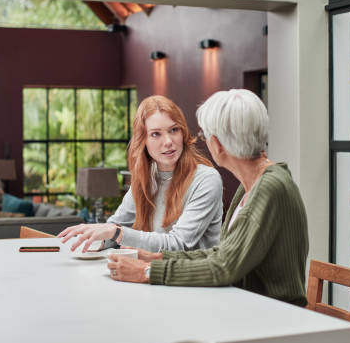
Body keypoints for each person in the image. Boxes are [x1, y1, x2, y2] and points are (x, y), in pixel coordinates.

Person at [107, 89, 309, 306]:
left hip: (272, 316)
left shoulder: (270, 187)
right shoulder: (253, 185)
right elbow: (222, 255)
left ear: (218, 144)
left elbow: (224, 267)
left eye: (205, 136)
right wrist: (157, 258)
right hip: (246, 306)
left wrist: (149, 271)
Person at [58, 95, 223, 253]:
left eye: (174, 130)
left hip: (191, 280)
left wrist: (115, 232)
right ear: (142, 140)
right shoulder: (147, 177)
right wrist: (92, 240)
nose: (168, 142)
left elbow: (179, 244)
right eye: (156, 134)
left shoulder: (206, 179)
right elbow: (116, 227)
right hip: (150, 275)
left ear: (183, 133)